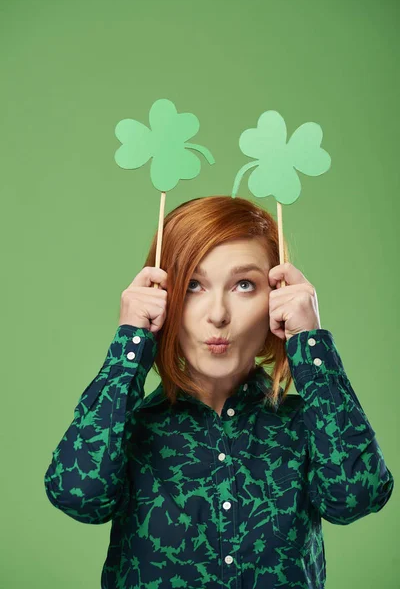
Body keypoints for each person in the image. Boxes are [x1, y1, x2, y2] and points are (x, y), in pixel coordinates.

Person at [44, 195, 394, 588]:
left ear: (274, 297)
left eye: (244, 285)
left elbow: (356, 498)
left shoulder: (304, 424)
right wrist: (131, 343)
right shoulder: (129, 429)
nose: (218, 314)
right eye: (193, 284)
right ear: (164, 296)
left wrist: (310, 342)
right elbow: (78, 496)